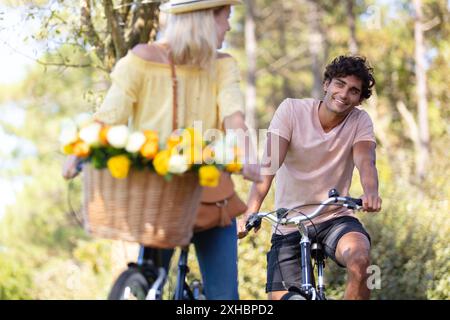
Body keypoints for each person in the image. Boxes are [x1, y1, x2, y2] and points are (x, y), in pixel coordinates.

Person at [63, 0, 260, 300]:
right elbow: (108, 116)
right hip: (161, 199)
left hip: (211, 198)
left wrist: (246, 154)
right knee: (147, 283)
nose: (229, 26)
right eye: (226, 17)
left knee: (225, 299)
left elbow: (234, 117)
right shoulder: (141, 60)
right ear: (204, 19)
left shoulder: (222, 65)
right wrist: (77, 153)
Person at [238, 55, 382, 300]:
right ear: (326, 84)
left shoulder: (360, 121)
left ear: (359, 99)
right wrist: (250, 213)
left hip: (335, 217)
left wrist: (371, 192)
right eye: (339, 84)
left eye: (354, 91)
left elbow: (365, 161)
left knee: (361, 262)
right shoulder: (291, 110)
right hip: (289, 224)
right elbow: (269, 166)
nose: (344, 94)